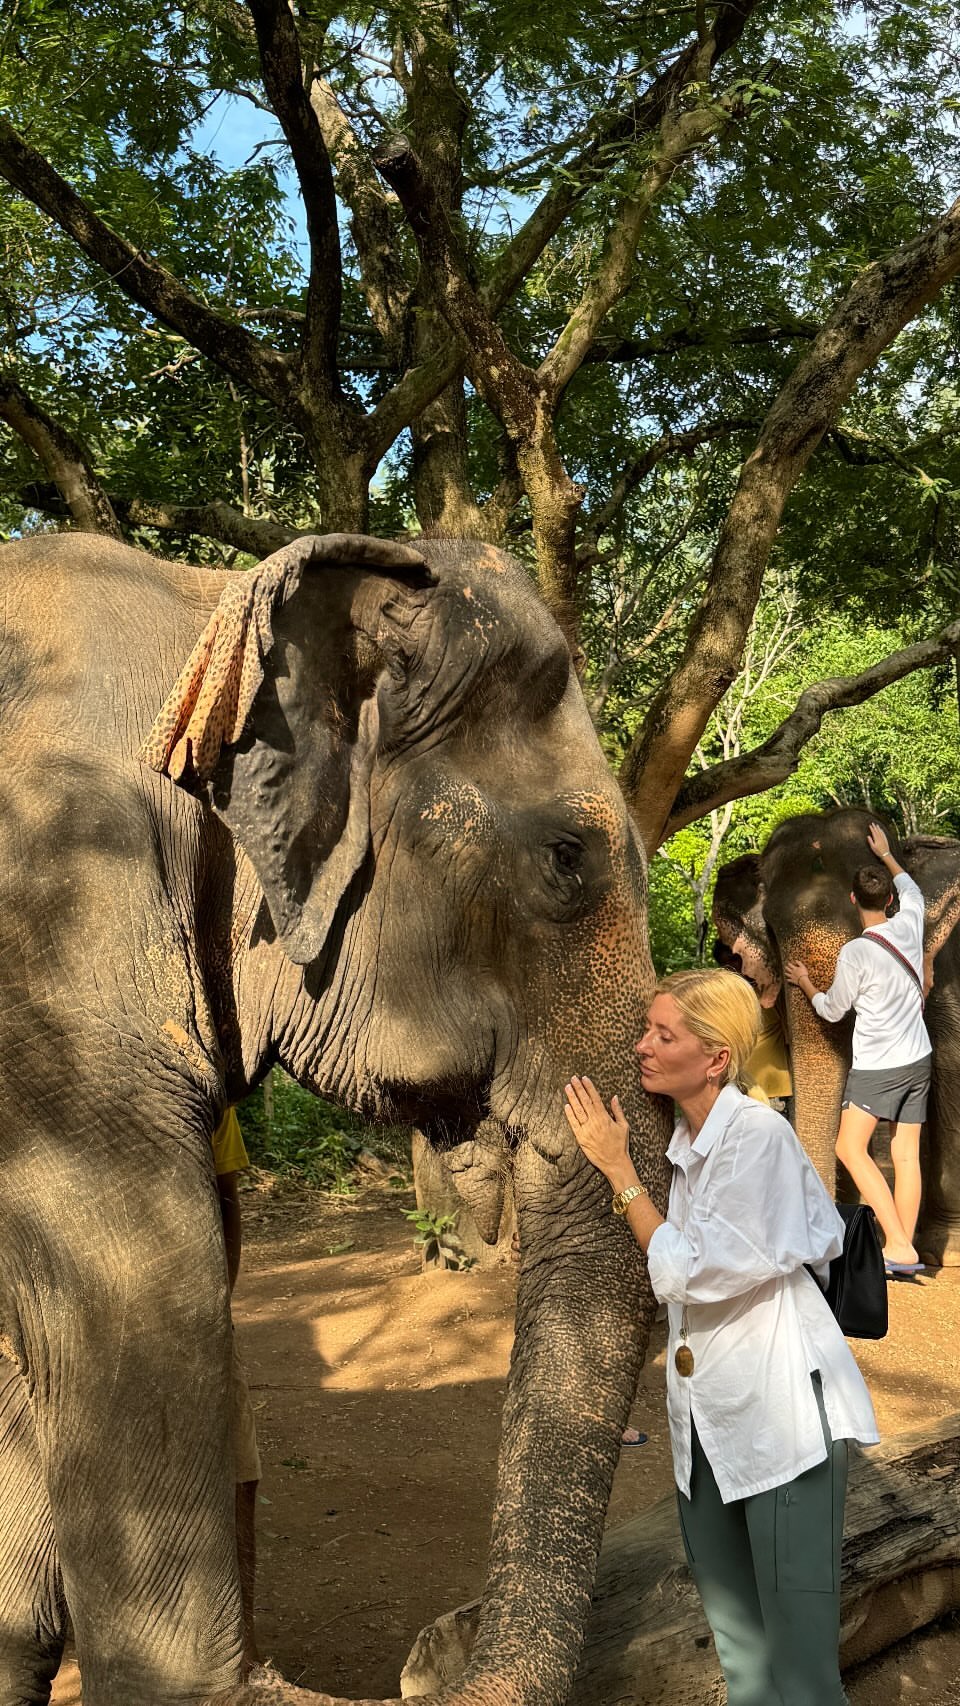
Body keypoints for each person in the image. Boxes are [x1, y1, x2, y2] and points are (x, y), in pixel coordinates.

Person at [563, 967, 878, 1706]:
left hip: (781, 1423)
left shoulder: (756, 1137)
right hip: (704, 1425)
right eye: (647, 1029)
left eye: (662, 1034)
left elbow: (686, 1270)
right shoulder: (683, 1147)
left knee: (802, 1674)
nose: (642, 1046)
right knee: (742, 1659)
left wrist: (617, 1170)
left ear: (715, 1059)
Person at [784, 822, 931, 1276]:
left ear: (853, 901)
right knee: (906, 1154)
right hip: (918, 1058)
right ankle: (901, 1252)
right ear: (888, 900)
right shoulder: (911, 920)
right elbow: (910, 887)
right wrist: (886, 853)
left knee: (849, 1148)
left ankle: (900, 1247)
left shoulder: (855, 953)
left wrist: (807, 983)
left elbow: (831, 1011)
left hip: (877, 1066)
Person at [212, 1105, 262, 1674]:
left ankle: (243, 1642)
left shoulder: (209, 1099)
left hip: (199, 1310)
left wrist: (217, 1297)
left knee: (239, 1474)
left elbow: (228, 1199)